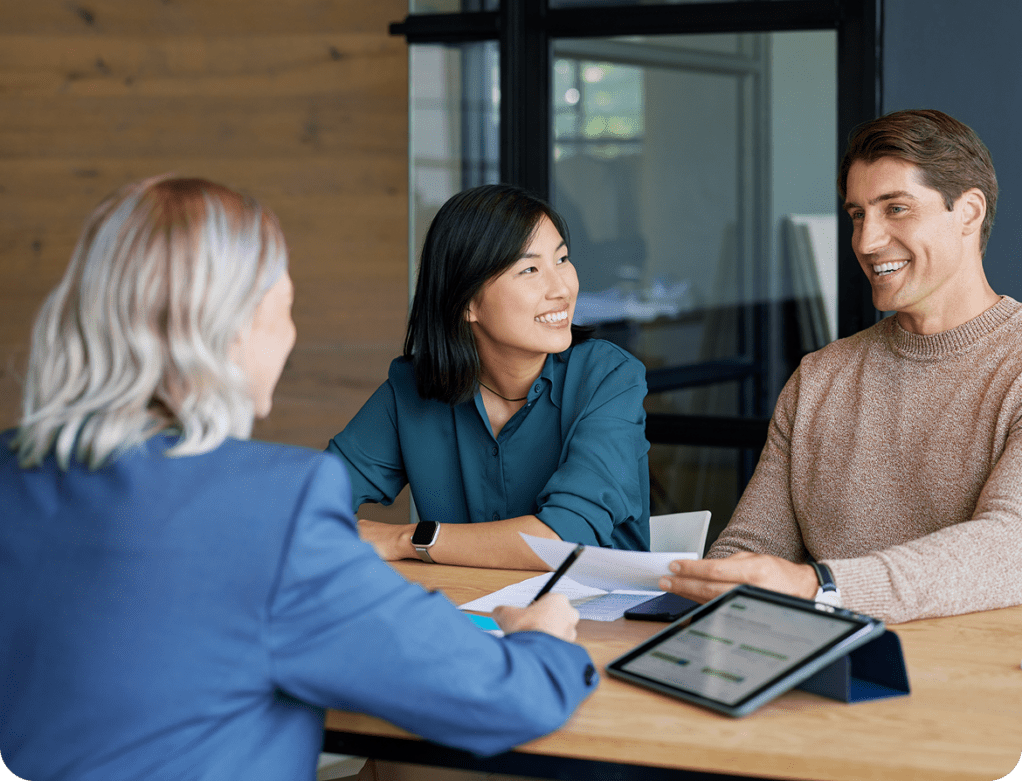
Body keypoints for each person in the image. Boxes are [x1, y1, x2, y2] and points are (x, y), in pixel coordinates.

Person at [0, 177, 598, 781]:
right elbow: (501, 697)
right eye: (285, 309)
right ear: (232, 333)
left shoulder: (9, 475)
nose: (288, 336)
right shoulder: (275, 505)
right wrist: (544, 638)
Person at [658, 109, 1022, 624]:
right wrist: (722, 580)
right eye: (857, 214)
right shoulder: (820, 377)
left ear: (968, 212)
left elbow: (1011, 547)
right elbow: (751, 546)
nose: (867, 241)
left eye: (895, 208)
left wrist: (821, 586)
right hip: (823, 678)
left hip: (972, 686)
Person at [328, 184, 650, 569]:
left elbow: (564, 540)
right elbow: (311, 502)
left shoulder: (608, 378)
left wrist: (406, 538)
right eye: (530, 269)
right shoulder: (413, 388)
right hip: (467, 614)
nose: (562, 288)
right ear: (466, 302)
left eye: (562, 259)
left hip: (600, 619)